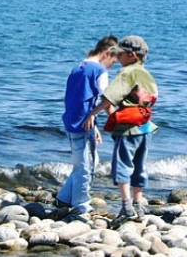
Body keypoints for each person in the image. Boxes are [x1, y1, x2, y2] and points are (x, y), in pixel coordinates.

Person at [82, 35, 158, 229]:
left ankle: (126, 207)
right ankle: (138, 205)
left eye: (120, 54)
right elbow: (153, 97)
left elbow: (110, 97)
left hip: (128, 129)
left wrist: (92, 113)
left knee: (122, 166)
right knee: (140, 166)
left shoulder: (127, 73)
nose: (117, 58)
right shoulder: (145, 73)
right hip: (146, 127)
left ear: (132, 55)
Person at [56, 35, 119, 223]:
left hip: (71, 120)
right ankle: (81, 204)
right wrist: (117, 121)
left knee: (84, 161)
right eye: (113, 61)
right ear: (107, 53)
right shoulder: (99, 70)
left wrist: (95, 125)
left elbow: (78, 98)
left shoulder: (78, 66)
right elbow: (107, 99)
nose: (111, 66)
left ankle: (64, 198)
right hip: (83, 123)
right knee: (86, 166)